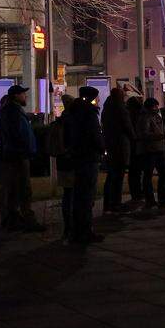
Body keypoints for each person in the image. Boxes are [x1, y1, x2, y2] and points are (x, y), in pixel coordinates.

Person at [0, 85, 44, 232]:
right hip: (17, 156)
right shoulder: (12, 112)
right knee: (22, 189)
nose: (25, 97)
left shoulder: (12, 111)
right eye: (23, 94)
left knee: (16, 190)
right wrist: (25, 150)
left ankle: (14, 219)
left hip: (15, 155)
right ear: (16, 96)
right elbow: (17, 135)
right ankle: (26, 219)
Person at [64, 86, 106, 244]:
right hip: (89, 156)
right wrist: (102, 148)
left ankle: (76, 231)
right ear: (92, 97)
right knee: (87, 196)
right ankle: (85, 231)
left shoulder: (72, 111)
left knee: (78, 195)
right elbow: (95, 134)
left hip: (77, 156)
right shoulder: (89, 112)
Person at [138, 97, 165, 208]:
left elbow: (163, 132)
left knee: (163, 174)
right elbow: (144, 134)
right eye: (155, 106)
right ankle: (150, 199)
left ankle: (162, 197)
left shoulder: (157, 117)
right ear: (150, 107)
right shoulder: (146, 118)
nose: (156, 108)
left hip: (159, 149)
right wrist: (157, 136)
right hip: (151, 150)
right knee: (149, 175)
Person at [100, 88, 133, 213]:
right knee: (118, 174)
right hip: (119, 144)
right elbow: (127, 125)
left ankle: (109, 202)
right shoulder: (120, 108)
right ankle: (115, 203)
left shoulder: (107, 108)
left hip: (111, 143)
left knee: (112, 175)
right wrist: (133, 137)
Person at [52, 94, 77, 240]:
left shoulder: (61, 119)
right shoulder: (71, 121)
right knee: (72, 194)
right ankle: (71, 225)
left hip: (63, 162)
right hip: (70, 161)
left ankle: (68, 225)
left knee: (68, 194)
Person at [125, 96, 145, 204]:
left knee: (134, 172)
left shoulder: (128, 114)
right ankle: (138, 192)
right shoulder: (138, 114)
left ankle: (136, 192)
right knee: (136, 171)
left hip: (132, 146)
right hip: (137, 145)